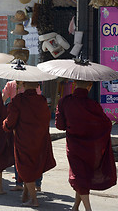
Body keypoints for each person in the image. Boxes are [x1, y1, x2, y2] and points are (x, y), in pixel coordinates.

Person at [55, 80, 117, 211]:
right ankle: (75, 207)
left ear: (74, 83)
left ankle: (88, 209)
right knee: (83, 176)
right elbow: (106, 124)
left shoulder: (65, 102)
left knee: (80, 176)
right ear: (90, 86)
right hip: (91, 148)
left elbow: (60, 126)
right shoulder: (93, 104)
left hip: (74, 146)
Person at [3, 81, 56, 207]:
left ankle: (34, 200)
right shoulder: (42, 100)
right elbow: (47, 118)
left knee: (25, 166)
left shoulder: (18, 100)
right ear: (37, 86)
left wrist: (5, 124)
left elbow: (10, 122)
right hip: (40, 138)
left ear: (24, 84)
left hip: (24, 138)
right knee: (34, 164)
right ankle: (26, 194)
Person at [2, 79, 43, 191]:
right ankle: (36, 184)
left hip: (19, 127)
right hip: (34, 126)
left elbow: (3, 99)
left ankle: (21, 183)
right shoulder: (40, 98)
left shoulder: (12, 88)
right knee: (35, 154)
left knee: (20, 155)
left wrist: (5, 122)